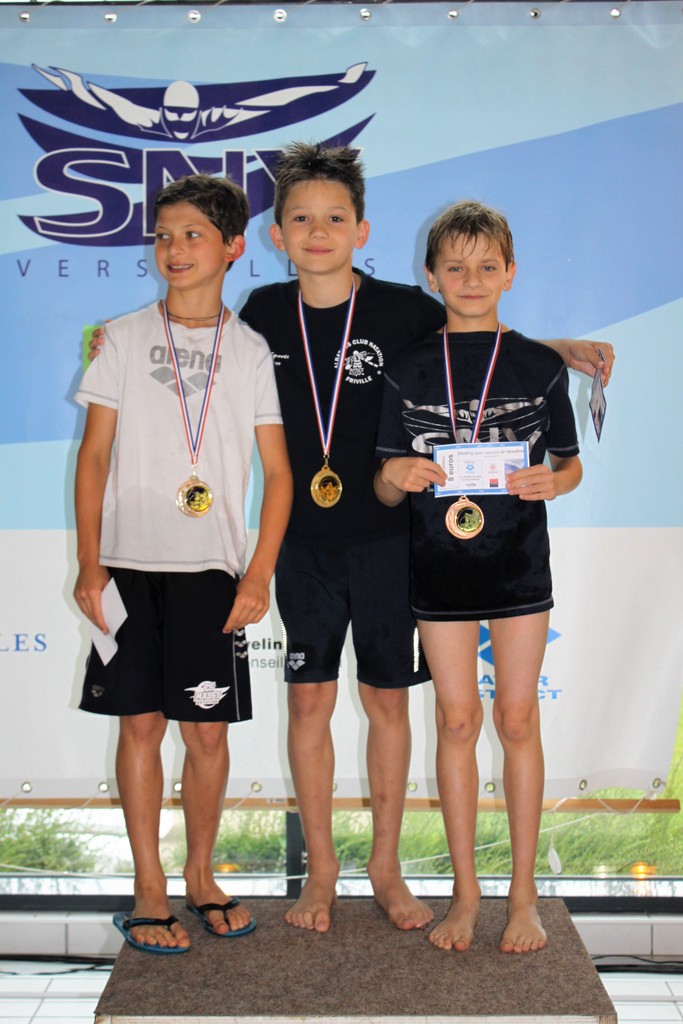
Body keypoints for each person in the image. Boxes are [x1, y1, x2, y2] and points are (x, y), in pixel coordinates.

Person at [89, 145, 613, 936]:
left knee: (385, 702)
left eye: (334, 218)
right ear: (275, 236)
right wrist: (108, 343)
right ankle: (322, 872)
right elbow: (191, 340)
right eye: (300, 219)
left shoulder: (405, 310)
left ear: (361, 230)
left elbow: (479, 334)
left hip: (390, 540)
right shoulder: (262, 312)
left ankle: (386, 868)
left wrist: (560, 350)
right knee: (308, 700)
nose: (317, 231)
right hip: (300, 543)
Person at [73, 174, 292, 953]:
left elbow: (280, 473)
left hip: (211, 573)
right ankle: (149, 887)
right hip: (127, 565)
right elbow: (93, 457)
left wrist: (257, 574)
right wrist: (89, 565)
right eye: (163, 235)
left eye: (193, 234)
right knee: (139, 726)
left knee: (204, 736)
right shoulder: (121, 337)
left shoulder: (251, 349)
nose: (174, 249)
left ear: (232, 246)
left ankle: (200, 876)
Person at [374, 199, 583, 954]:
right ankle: (466, 896)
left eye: (486, 266)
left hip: (518, 568)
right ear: (431, 276)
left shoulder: (538, 364)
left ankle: (523, 897)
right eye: (455, 267)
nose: (471, 279)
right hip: (438, 572)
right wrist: (396, 474)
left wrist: (555, 483)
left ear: (510, 273)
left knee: (517, 721)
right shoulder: (407, 369)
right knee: (456, 723)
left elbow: (569, 464)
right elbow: (383, 484)